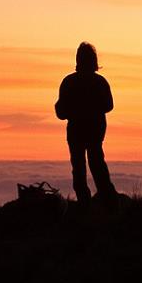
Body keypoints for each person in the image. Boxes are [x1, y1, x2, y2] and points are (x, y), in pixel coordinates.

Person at [55, 42, 118, 209]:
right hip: (95, 129)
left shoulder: (69, 82)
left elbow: (61, 112)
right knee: (96, 161)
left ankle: (85, 202)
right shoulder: (100, 82)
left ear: (78, 60)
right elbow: (109, 105)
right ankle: (107, 197)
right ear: (94, 61)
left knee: (79, 166)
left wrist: (74, 110)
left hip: (76, 130)